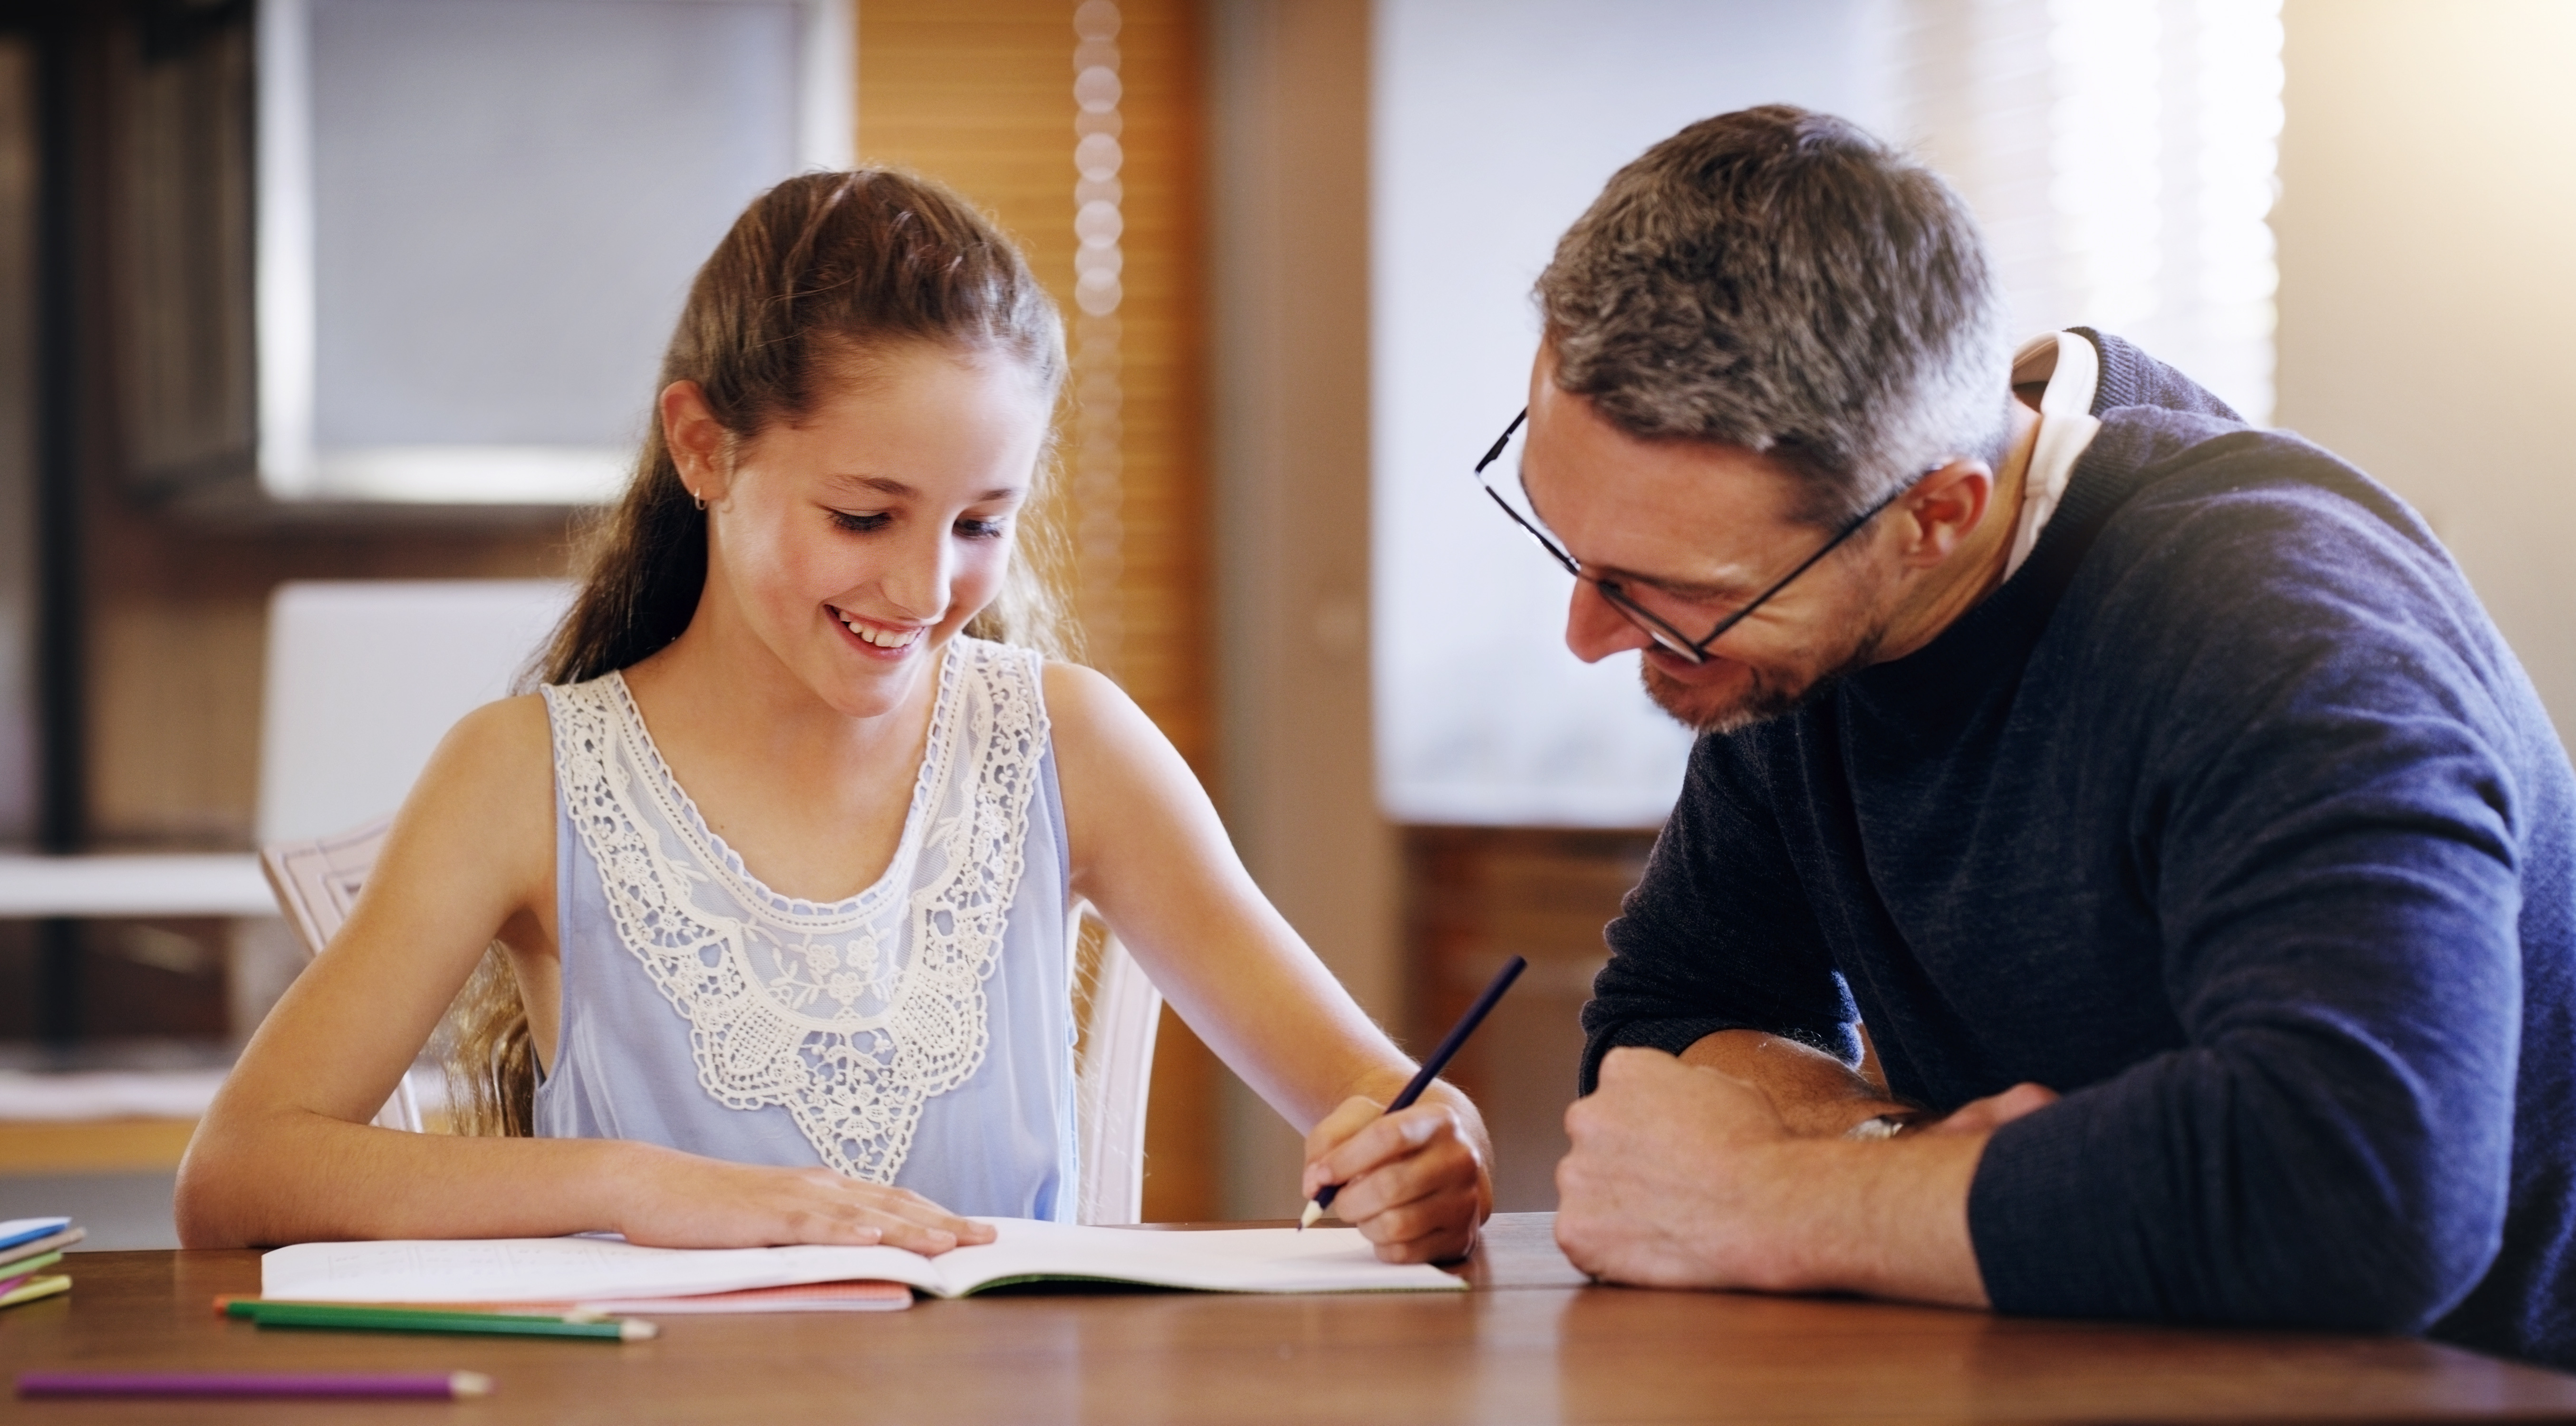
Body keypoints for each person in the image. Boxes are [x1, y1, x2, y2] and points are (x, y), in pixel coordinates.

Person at [177, 170, 1489, 1263]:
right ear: (704, 450)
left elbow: (1389, 1104)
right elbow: (239, 1176)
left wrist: (1437, 1158)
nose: (927, 590)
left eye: (982, 523)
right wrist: (633, 1185)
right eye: (863, 516)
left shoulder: (1070, 745)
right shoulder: (524, 775)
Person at [1504, 107, 2574, 1367]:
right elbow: (1668, 1033)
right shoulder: (1807, 628)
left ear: (1934, 517)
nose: (1587, 635)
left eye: (1664, 587)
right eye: (1566, 545)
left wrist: (1762, 1198)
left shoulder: (2278, 626)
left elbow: (2366, 1188)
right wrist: (1890, 1156)